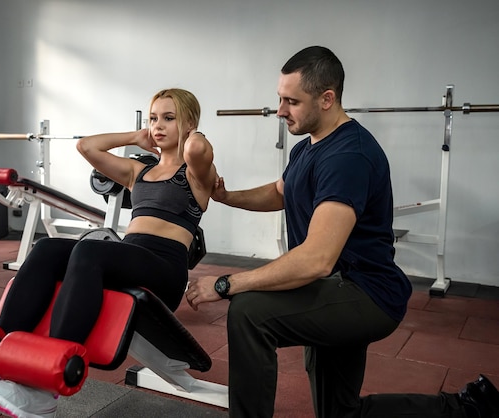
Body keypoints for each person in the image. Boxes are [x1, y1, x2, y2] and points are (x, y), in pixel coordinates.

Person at [185, 46, 499, 418]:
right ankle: (469, 409)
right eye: (279, 99)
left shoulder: (348, 156)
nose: (281, 110)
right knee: (339, 413)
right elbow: (280, 192)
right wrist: (225, 197)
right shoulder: (307, 149)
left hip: (364, 294)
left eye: (291, 101)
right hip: (331, 290)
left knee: (249, 312)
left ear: (327, 98)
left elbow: (317, 259)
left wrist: (225, 284)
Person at [0, 88, 217, 418]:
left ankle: (44, 386)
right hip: (131, 258)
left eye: (169, 118)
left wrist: (189, 134)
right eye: (153, 118)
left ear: (189, 123)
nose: (158, 126)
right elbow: (86, 146)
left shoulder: (196, 175)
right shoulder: (137, 172)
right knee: (47, 248)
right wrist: (136, 135)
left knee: (90, 251)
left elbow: (199, 148)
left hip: (164, 270)